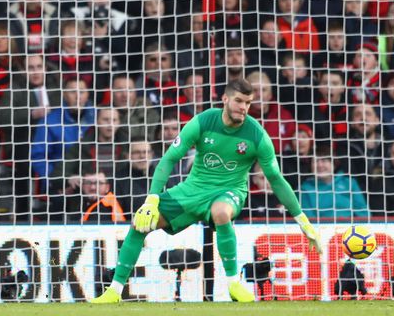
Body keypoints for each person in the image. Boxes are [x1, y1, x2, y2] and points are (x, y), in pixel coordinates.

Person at [90, 79, 322, 304]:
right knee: (140, 223)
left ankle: (233, 284)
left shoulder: (257, 135)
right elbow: (169, 159)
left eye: (248, 103)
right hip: (192, 191)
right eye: (239, 101)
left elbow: (276, 179)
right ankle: (115, 290)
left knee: (221, 212)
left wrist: (301, 219)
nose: (244, 108)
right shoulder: (203, 121)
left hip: (230, 191)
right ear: (225, 99)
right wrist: (151, 199)